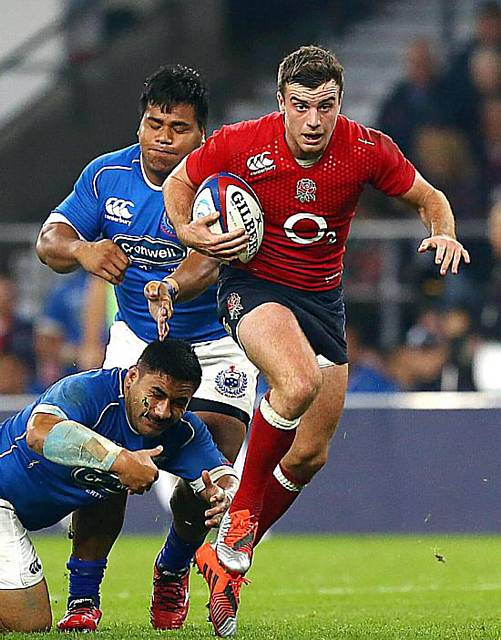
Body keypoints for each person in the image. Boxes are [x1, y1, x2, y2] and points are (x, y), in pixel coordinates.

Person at [162, 45, 470, 637]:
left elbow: (429, 198)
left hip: (323, 301)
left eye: (325, 106)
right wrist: (186, 227)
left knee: (309, 454)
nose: (312, 120)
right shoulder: (241, 142)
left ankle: (227, 559)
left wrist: (446, 231)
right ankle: (234, 540)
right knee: (295, 382)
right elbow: (181, 182)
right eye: (300, 106)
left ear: (339, 104)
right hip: (253, 287)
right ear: (281, 103)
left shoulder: (365, 149)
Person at [35, 64, 257, 631]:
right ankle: (84, 598)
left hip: (218, 343)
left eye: (177, 128)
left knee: (205, 479)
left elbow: (209, 260)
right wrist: (84, 253)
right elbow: (49, 240)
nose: (161, 137)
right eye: (153, 123)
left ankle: (173, 568)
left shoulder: (218, 184)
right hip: (139, 341)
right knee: (104, 464)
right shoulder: (107, 174)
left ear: (200, 135)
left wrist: (171, 285)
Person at [0, 338, 238, 632]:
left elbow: (222, 476)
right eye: (156, 394)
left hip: (14, 511)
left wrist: (225, 496)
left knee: (107, 485)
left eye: (179, 402)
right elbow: (39, 433)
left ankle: (83, 602)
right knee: (28, 625)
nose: (163, 411)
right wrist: (122, 460)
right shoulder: (86, 390)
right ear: (132, 377)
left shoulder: (182, 432)